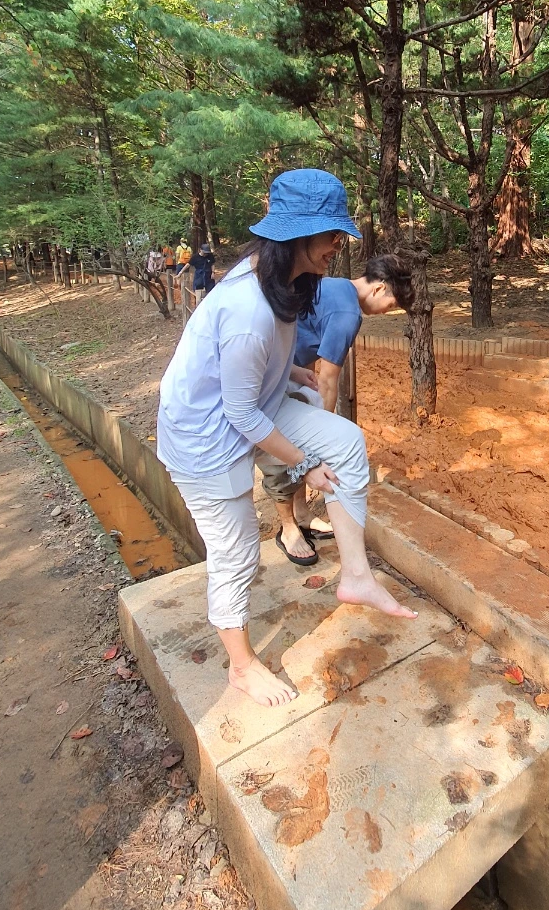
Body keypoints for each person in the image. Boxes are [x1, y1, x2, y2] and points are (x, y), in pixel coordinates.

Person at [156, 169, 416, 708]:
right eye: (332, 235)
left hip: (256, 402)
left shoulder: (288, 281)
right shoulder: (247, 309)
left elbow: (256, 374)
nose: (338, 245)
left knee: (345, 441)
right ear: (298, 235)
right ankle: (242, 667)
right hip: (205, 436)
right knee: (237, 554)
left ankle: (357, 575)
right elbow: (238, 411)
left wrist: (291, 372)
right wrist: (304, 463)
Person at [265, 254, 413, 564]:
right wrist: (324, 433)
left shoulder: (333, 285)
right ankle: (288, 528)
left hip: (290, 367)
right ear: (379, 288)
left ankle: (302, 513)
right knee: (287, 449)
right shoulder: (348, 313)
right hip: (274, 374)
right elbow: (328, 380)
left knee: (299, 446)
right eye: (391, 304)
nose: (387, 312)